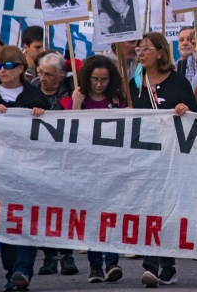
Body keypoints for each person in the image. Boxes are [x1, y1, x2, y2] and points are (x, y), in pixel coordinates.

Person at [128, 32, 197, 288]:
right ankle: (154, 265)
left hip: (172, 157)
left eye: (147, 48)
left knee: (166, 209)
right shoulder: (135, 83)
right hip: (145, 157)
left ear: (160, 52)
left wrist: (185, 110)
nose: (141, 53)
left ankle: (164, 265)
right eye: (139, 49)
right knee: (150, 209)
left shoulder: (178, 82)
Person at [0, 45, 49, 292]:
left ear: (20, 68)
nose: (2, 70)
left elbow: (51, 133)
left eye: (7, 65)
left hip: (28, 168)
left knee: (26, 219)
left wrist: (41, 115)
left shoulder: (35, 96)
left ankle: (23, 270)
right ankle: (12, 273)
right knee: (6, 222)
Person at [59, 55, 125, 283]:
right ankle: (95, 265)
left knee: (111, 214)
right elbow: (67, 131)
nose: (99, 84)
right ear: (87, 78)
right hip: (85, 166)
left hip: (112, 165)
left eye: (104, 80)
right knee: (92, 216)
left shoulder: (117, 100)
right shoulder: (76, 99)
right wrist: (76, 105)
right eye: (95, 79)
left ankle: (112, 261)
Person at [31, 52, 78, 276]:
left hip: (67, 159)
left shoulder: (72, 88)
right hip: (40, 159)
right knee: (44, 208)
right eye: (40, 73)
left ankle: (67, 255)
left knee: (66, 207)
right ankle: (49, 255)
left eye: (49, 74)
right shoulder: (31, 90)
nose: (43, 78)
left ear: (61, 75)